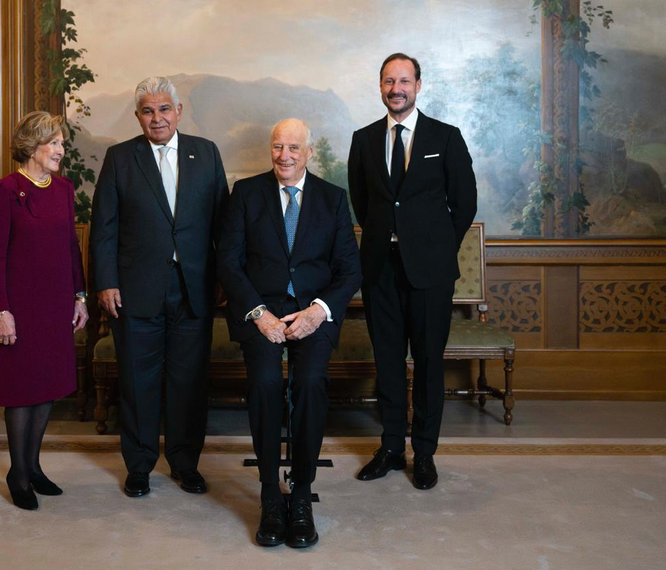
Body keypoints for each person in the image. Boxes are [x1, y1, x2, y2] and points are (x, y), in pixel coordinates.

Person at [218, 119, 361, 548]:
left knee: (311, 383)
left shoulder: (334, 200)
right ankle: (268, 492)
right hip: (261, 313)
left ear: (309, 151)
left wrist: (319, 312)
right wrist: (258, 313)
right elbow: (229, 261)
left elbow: (350, 270)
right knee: (264, 383)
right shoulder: (246, 194)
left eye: (293, 148)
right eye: (278, 146)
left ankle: (300, 493)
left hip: (312, 313)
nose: (284, 155)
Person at [90, 76, 229, 498]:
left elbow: (224, 224)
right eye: (148, 111)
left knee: (189, 383)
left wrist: (224, 279)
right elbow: (104, 228)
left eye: (164, 109)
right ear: (138, 116)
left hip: (194, 289)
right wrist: (106, 282)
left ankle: (186, 464)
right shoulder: (119, 158)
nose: (157, 118)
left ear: (178, 111)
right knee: (138, 381)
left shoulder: (205, 153)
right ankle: (139, 466)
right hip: (135, 290)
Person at [348, 53, 477, 490]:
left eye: (404, 81)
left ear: (418, 85)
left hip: (431, 273)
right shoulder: (363, 139)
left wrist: (435, 247)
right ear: (380, 86)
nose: (395, 89)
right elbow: (362, 203)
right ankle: (389, 448)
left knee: (426, 364)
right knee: (386, 364)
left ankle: (423, 453)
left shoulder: (447, 136)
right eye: (388, 81)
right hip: (380, 269)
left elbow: (465, 203)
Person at [0, 111, 89, 510]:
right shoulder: (3, 191)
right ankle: (18, 473)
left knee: (47, 386)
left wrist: (80, 296)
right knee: (22, 390)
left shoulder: (63, 189)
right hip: (20, 306)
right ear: (32, 146)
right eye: (55, 143)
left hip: (57, 302)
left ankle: (34, 465)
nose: (62, 149)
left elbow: (71, 248)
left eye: (62, 142)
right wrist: (1, 311)